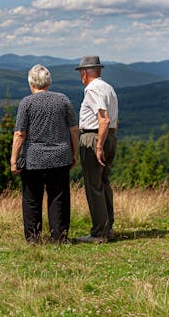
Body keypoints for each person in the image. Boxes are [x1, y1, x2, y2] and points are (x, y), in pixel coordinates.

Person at [11, 64, 79, 244]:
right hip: (60, 156)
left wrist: (13, 160)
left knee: (32, 199)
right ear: (48, 82)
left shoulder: (26, 103)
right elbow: (73, 129)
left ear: (31, 83)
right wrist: (74, 153)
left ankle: (33, 239)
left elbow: (19, 134)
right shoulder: (63, 100)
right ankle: (60, 237)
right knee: (58, 198)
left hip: (33, 159)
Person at [75, 55, 118, 243]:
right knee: (104, 183)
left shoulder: (92, 89)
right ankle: (108, 228)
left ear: (85, 73)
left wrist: (98, 145)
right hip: (111, 136)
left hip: (94, 137)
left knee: (94, 186)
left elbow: (104, 118)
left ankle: (99, 232)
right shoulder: (109, 88)